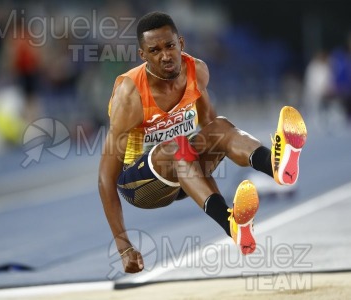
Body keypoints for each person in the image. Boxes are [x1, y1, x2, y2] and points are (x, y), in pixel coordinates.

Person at [98, 12, 307, 274]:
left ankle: (275, 166)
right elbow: (106, 178)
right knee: (176, 147)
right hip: (139, 184)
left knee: (219, 126)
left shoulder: (196, 71)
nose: (165, 55)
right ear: (143, 55)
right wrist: (124, 247)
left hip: (183, 169)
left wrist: (219, 152)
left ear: (181, 43)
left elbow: (212, 130)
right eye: (155, 50)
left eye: (170, 46)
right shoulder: (130, 95)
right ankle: (229, 219)